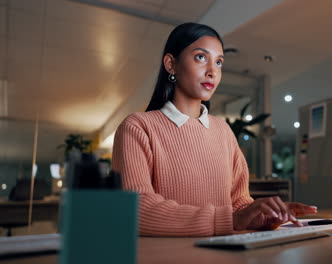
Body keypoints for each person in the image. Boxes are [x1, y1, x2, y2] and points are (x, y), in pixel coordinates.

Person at [112, 22, 317, 237]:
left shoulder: (224, 131)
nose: (212, 72)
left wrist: (260, 215)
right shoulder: (137, 127)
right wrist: (230, 219)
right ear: (171, 64)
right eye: (201, 57)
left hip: (224, 254)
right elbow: (135, 209)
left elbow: (238, 202)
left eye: (219, 62)